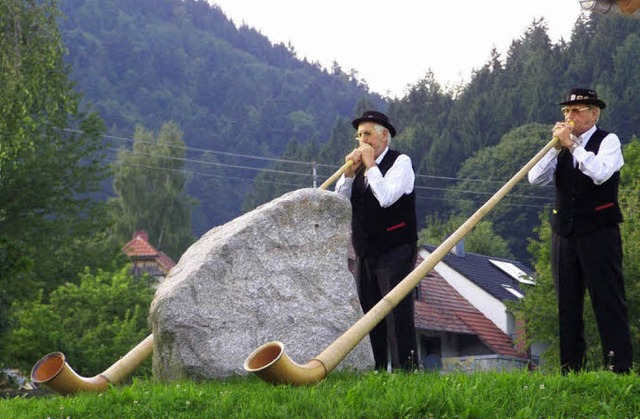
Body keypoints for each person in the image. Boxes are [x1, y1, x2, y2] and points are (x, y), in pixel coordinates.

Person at [528, 88, 632, 374]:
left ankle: (618, 367)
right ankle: (571, 370)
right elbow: (534, 178)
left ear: (593, 113)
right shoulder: (560, 146)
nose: (569, 117)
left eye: (576, 111)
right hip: (565, 234)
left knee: (608, 299)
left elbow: (600, 173)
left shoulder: (608, 141)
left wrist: (574, 146)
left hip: (599, 230)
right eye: (566, 112)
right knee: (567, 304)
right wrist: (555, 148)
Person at [335, 110, 418, 371]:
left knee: (397, 314)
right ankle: (377, 372)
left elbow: (386, 198)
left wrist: (371, 166)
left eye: (367, 134)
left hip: (396, 248)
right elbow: (339, 203)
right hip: (365, 250)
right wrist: (349, 173)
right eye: (359, 136)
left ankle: (407, 372)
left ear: (384, 136)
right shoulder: (359, 168)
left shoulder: (401, 162)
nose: (362, 141)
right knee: (369, 314)